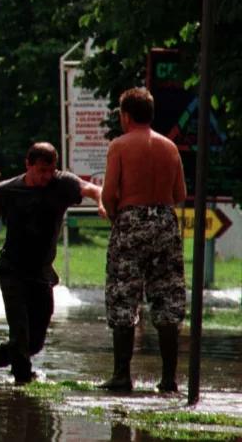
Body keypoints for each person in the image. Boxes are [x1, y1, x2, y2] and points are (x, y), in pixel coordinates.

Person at [0, 142, 103, 384]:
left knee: (34, 343)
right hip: (12, 271)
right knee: (20, 336)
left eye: (50, 170)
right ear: (28, 165)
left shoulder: (62, 184)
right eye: (41, 171)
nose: (46, 176)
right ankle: (22, 384)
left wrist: (101, 202)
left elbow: (92, 189)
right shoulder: (7, 190)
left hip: (42, 274)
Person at [98, 87, 187, 393]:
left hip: (130, 219)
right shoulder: (169, 147)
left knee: (123, 294)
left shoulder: (119, 146)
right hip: (164, 222)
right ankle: (169, 379)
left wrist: (116, 217)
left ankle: (122, 374)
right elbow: (180, 195)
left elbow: (109, 194)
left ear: (125, 115)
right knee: (166, 296)